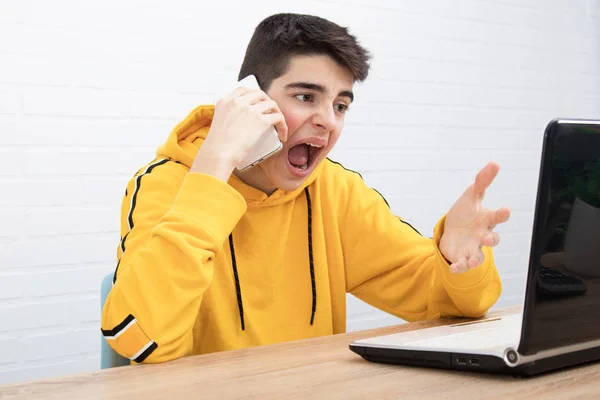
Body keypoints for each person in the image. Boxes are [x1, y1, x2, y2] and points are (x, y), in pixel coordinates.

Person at [101, 13, 511, 364]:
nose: (328, 121)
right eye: (305, 96)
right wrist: (213, 169)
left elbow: (448, 302)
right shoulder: (165, 184)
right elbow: (140, 339)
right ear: (248, 99)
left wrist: (458, 262)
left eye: (340, 105)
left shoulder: (335, 190)